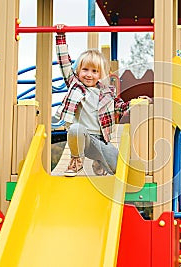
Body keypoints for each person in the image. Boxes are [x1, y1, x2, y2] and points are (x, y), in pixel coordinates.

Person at [54, 25, 150, 177]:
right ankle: (76, 160)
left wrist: (134, 102)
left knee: (118, 166)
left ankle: (99, 162)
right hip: (81, 139)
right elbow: (64, 62)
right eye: (85, 70)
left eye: (94, 71)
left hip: (100, 140)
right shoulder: (75, 85)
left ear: (100, 74)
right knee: (75, 129)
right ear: (78, 71)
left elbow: (120, 107)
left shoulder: (107, 93)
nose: (89, 75)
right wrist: (60, 36)